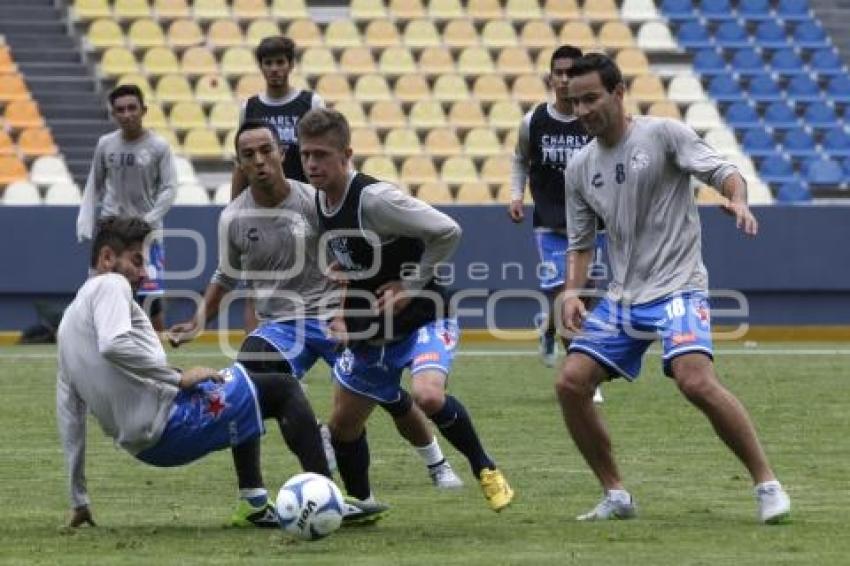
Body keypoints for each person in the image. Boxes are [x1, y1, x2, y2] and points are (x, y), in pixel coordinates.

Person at [555, 53, 791, 524]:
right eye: (573, 101)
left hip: (679, 288)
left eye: (590, 99)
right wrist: (571, 292)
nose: (581, 110)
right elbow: (580, 245)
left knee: (695, 380)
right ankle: (615, 495)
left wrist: (738, 199)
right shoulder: (579, 167)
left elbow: (722, 171)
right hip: (623, 296)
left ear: (619, 93)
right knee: (570, 383)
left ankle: (768, 485)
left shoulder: (663, 134)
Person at [169, 121, 463, 491]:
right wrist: (198, 320)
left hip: (330, 316)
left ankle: (437, 463)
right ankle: (258, 493)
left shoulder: (315, 200)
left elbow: (352, 256)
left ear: (281, 153)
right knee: (245, 385)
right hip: (281, 325)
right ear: (239, 164)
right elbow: (225, 275)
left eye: (266, 151)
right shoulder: (233, 218)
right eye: (248, 155)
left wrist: (349, 308)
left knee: (387, 394)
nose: (259, 161)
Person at [56, 217, 383, 529]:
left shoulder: (69, 324)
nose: (144, 272)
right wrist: (177, 376)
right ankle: (326, 499)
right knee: (282, 389)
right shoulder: (111, 284)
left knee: (249, 377)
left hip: (147, 445)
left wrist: (78, 499)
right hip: (172, 423)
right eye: (137, 261)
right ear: (107, 257)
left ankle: (253, 502)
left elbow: (69, 413)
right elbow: (113, 344)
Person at [299, 108, 514, 512]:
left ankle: (485, 467)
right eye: (306, 154)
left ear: (346, 155)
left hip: (425, 316)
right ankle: (361, 504)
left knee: (427, 396)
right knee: (343, 427)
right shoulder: (320, 201)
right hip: (373, 328)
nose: (312, 163)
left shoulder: (377, 200)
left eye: (322, 155)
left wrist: (411, 284)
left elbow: (448, 231)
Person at [507, 46, 606, 404]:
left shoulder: (594, 121)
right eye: (558, 72)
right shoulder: (533, 121)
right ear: (550, 77)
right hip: (549, 225)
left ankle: (548, 330)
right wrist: (516, 196)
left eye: (570, 72)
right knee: (565, 293)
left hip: (593, 225)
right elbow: (520, 159)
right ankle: (581, 374)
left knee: (586, 295)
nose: (563, 79)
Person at [231, 35, 324, 332]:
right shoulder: (251, 107)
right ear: (261, 67)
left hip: (303, 206)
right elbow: (240, 163)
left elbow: (321, 153)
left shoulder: (310, 103)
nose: (274, 69)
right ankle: (252, 359)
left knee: (311, 281)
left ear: (291, 64)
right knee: (254, 286)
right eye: (268, 63)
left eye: (280, 62)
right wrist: (235, 208)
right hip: (261, 208)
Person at [77, 84, 177, 331]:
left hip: (145, 233)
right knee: (100, 292)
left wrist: (149, 219)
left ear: (144, 110)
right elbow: (94, 184)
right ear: (113, 114)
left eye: (132, 108)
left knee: (150, 300)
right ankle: (98, 351)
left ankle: (156, 359)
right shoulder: (105, 144)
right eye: (120, 109)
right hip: (110, 230)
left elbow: (169, 188)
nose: (127, 114)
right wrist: (85, 222)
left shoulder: (159, 146)